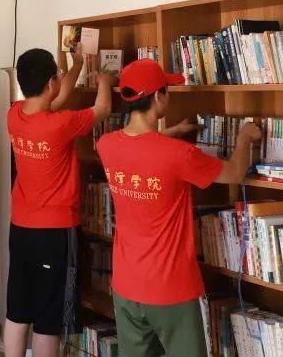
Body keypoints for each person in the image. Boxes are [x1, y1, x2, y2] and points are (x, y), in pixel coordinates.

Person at [95, 58, 261, 357]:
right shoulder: (180, 155)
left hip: (126, 285)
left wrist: (173, 130)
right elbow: (235, 172)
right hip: (171, 287)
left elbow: (141, 147)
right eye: (167, 90)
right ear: (158, 97)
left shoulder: (106, 145)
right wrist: (244, 136)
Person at [2, 47, 114, 357]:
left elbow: (57, 98)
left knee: (18, 309)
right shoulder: (61, 124)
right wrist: (104, 81)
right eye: (57, 76)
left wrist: (76, 65)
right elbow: (103, 108)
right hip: (54, 232)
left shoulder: (14, 114)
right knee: (49, 317)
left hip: (21, 228)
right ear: (51, 82)